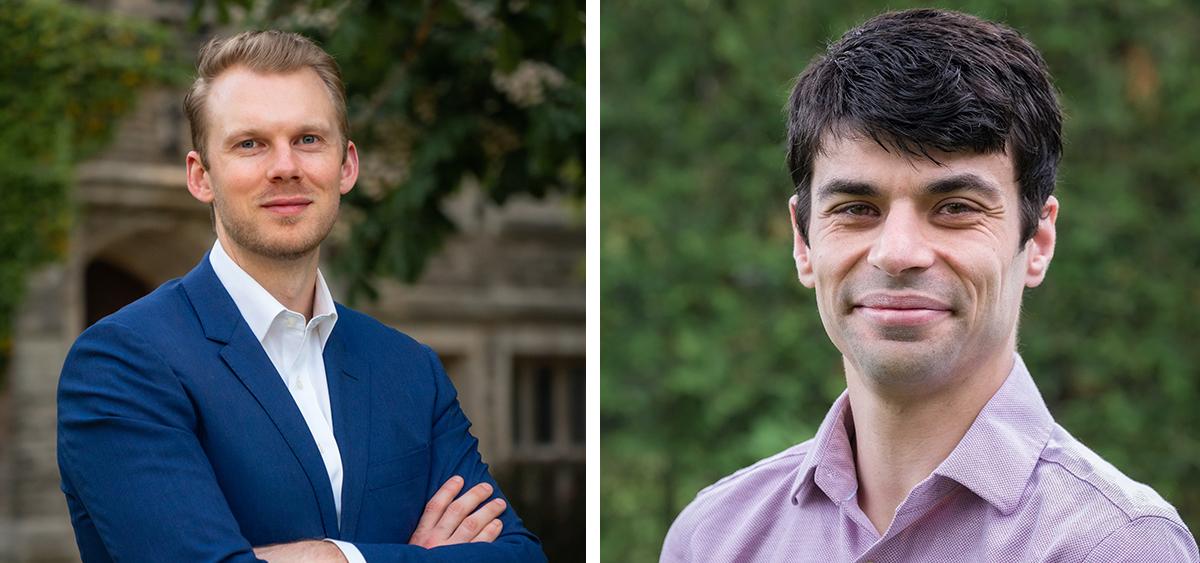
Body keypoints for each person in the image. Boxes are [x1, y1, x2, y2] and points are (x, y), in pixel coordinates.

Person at [660, 9, 1198, 562]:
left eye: (955, 208)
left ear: (1037, 241)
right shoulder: (712, 537)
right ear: (804, 244)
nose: (897, 253)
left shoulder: (1117, 545)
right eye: (857, 208)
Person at [57, 30, 544, 562]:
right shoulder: (123, 362)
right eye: (251, 144)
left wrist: (333, 556)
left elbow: (519, 555)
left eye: (308, 140)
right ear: (201, 176)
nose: (285, 166)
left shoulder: (409, 369)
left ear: (346, 166)